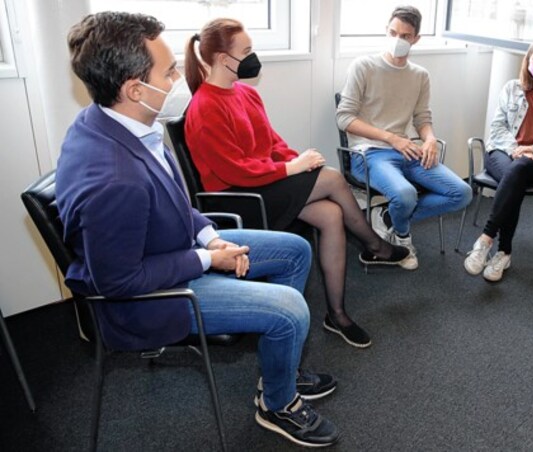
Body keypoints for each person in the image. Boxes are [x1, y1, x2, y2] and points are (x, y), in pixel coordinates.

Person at [57, 12, 339, 447]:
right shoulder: (114, 179)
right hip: (148, 298)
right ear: (134, 88)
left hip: (171, 251)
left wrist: (209, 235)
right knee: (289, 310)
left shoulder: (121, 124)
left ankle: (279, 372)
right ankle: (278, 403)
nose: (179, 78)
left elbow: (174, 201)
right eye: (168, 71)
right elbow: (118, 281)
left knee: (295, 251)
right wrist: (209, 258)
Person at [183, 19, 412, 349]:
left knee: (331, 215)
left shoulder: (245, 93)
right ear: (222, 58)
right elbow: (234, 171)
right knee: (332, 178)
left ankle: (337, 314)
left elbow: (271, 142)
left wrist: (301, 161)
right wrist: (293, 169)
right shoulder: (204, 107)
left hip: (261, 183)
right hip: (239, 198)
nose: (253, 57)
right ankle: (374, 246)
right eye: (246, 51)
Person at [335, 5, 472, 270]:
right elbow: (345, 118)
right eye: (392, 32)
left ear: (416, 39)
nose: (398, 40)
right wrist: (391, 138)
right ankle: (403, 236)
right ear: (386, 31)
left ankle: (389, 217)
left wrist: (430, 138)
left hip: (407, 151)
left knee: (462, 193)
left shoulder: (420, 75)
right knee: (405, 194)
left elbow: (422, 118)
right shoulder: (363, 66)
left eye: (405, 36)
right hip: (369, 153)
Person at [463, 38, 533, 282]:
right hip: (502, 153)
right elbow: (496, 128)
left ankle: (485, 239)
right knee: (514, 176)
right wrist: (515, 148)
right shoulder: (512, 88)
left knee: (518, 170)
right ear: (528, 61)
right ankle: (503, 252)